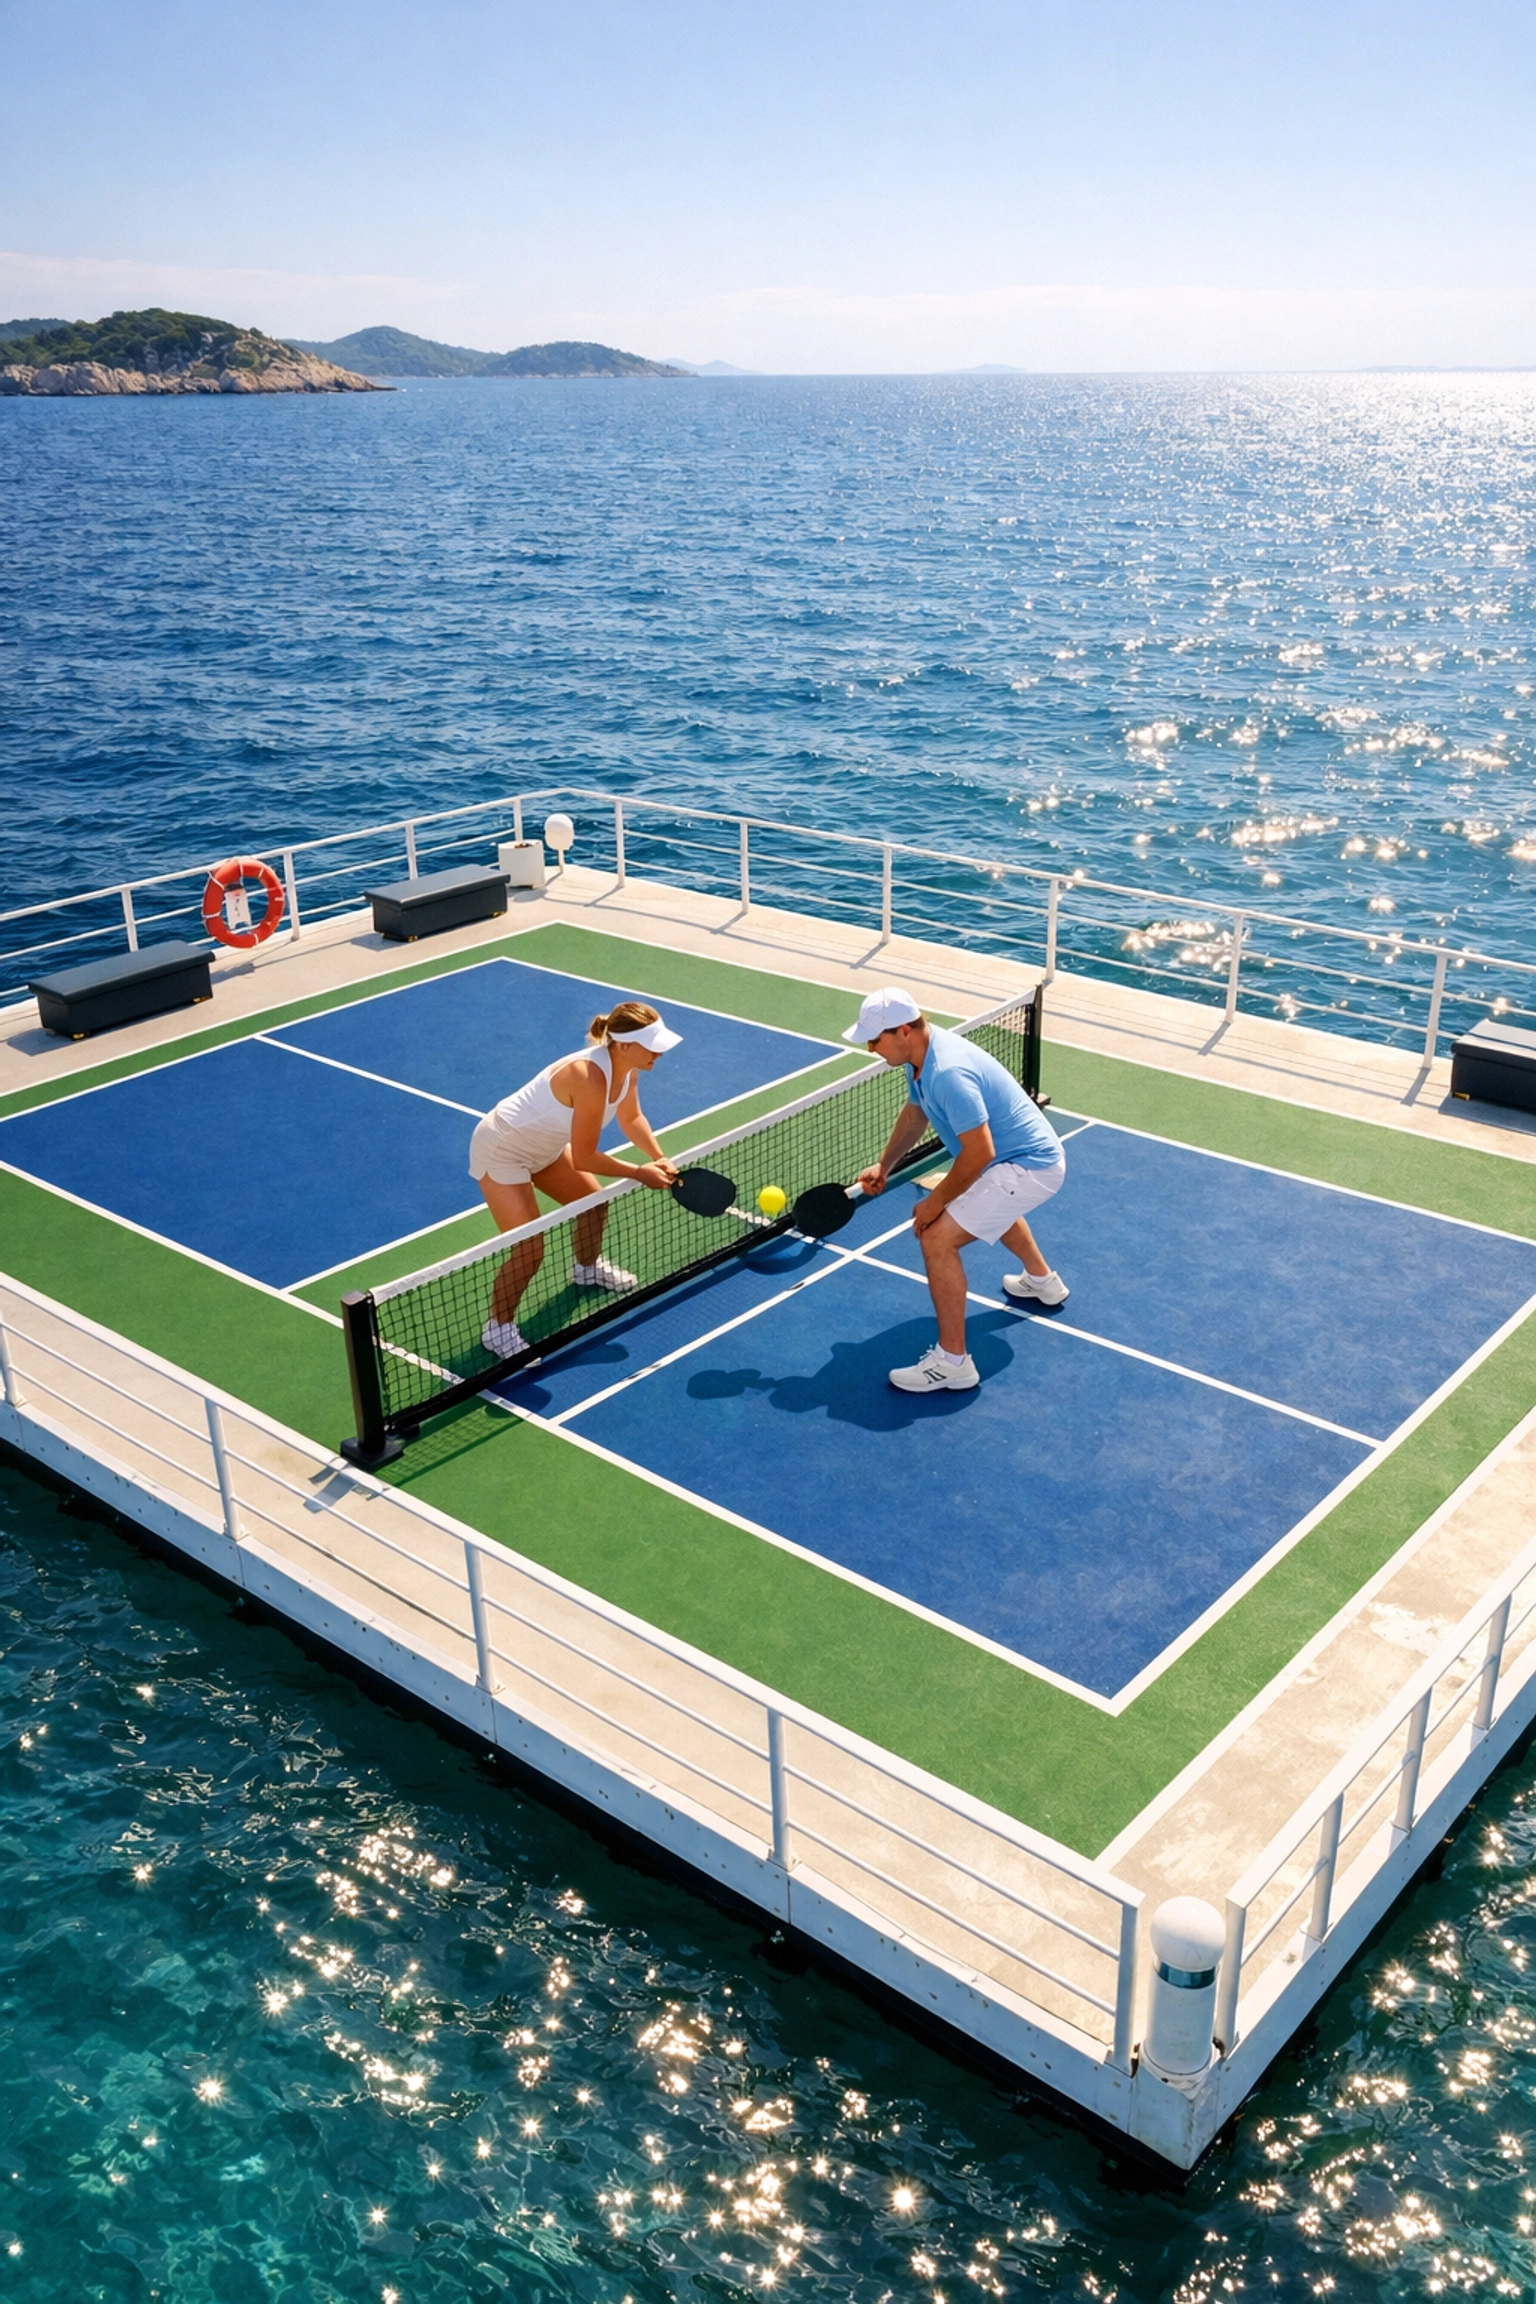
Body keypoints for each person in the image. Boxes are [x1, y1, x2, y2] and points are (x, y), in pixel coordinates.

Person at [849, 986, 1068, 1393]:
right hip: (1011, 1161)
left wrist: (935, 1201)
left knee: (936, 1238)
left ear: (903, 1032)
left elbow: (980, 1151)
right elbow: (916, 1113)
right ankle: (1043, 1281)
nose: (870, 1048)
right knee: (989, 1205)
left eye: (874, 1040)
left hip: (1027, 1166)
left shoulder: (948, 1072)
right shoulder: (919, 1059)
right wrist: (885, 1164)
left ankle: (953, 1363)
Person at [470, 1001, 682, 1358]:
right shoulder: (588, 1076)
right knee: (529, 1247)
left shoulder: (627, 1069)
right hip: (503, 1149)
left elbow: (631, 1119)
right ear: (625, 1044)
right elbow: (585, 1157)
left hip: (544, 1148)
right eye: (653, 1044)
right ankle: (498, 1328)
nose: (659, 1052)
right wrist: (638, 1173)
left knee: (594, 1203)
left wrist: (657, 1156)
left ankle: (586, 1269)